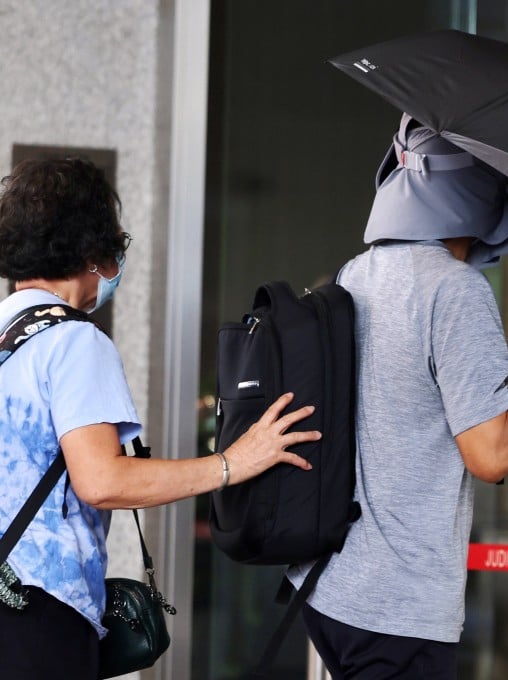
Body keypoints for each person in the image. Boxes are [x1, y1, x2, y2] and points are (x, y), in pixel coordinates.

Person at [288, 113, 508, 678]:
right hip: (398, 607)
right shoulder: (454, 290)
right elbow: (492, 454)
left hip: (329, 586)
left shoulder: (353, 272)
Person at [0, 157, 320, 680]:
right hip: (39, 611)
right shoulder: (74, 341)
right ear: (92, 249)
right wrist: (230, 464)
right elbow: (101, 480)